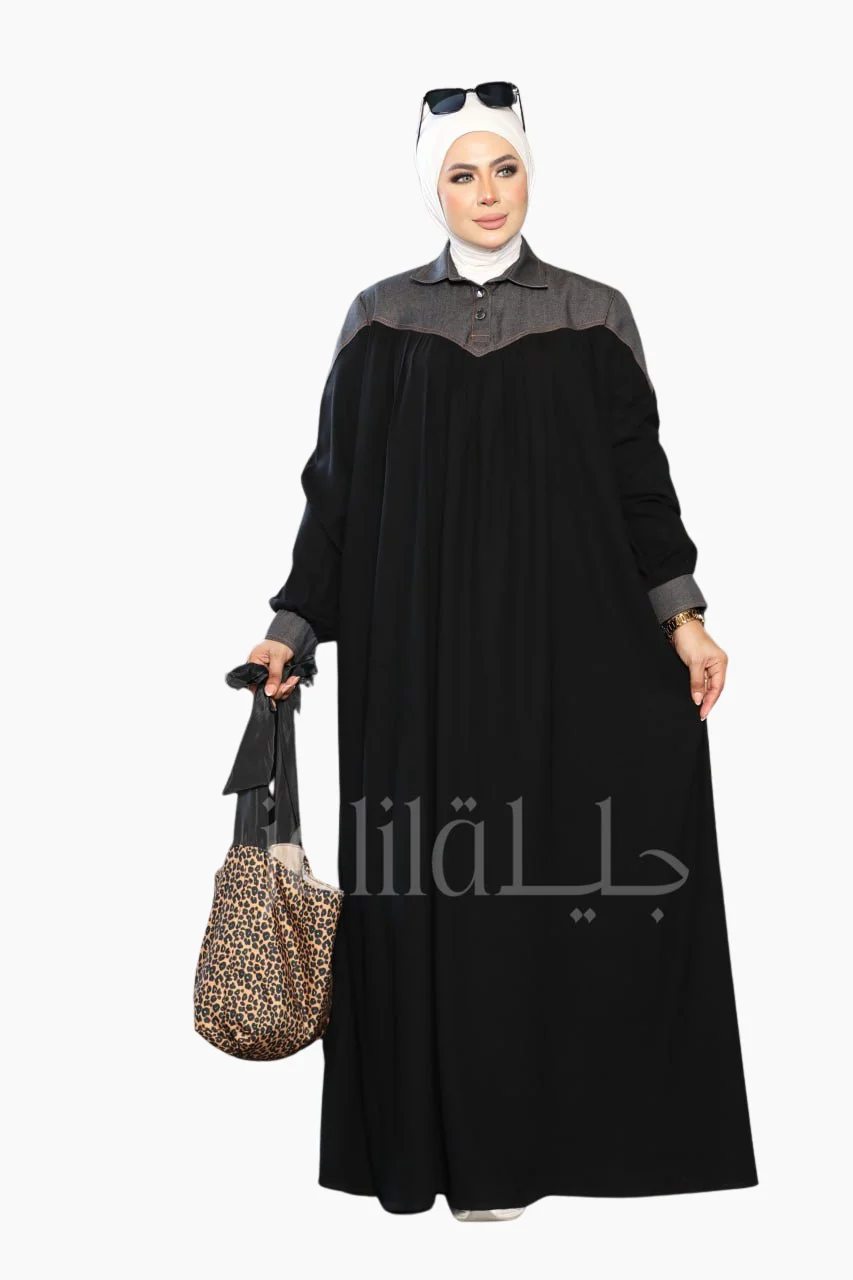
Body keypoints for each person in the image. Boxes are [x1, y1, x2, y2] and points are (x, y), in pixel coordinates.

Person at [246, 84, 758, 1220]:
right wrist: (291, 625)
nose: (487, 194)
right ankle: (442, 1149)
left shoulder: (593, 313)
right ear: (431, 187)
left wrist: (682, 619)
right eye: (462, 174)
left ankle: (538, 1145)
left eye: (505, 168)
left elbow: (640, 486)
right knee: (435, 874)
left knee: (556, 884)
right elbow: (336, 495)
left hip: (567, 651)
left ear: (531, 174)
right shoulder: (380, 317)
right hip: (414, 660)